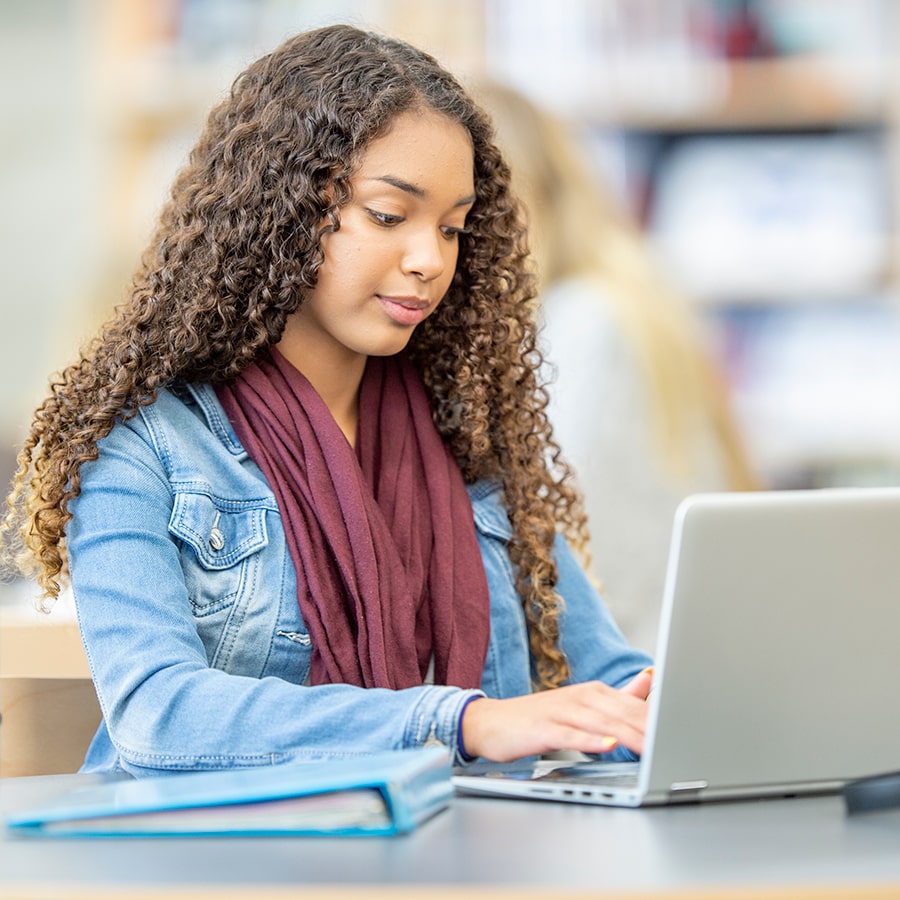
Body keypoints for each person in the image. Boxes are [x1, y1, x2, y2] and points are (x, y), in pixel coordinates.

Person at [0, 24, 652, 778]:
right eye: (389, 215)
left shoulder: (467, 441)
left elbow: (608, 683)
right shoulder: (145, 444)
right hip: (226, 849)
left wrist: (669, 707)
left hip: (461, 841)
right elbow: (160, 715)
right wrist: (458, 722)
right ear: (281, 209)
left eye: (452, 228)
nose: (429, 259)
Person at [475, 82, 760, 654]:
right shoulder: (635, 300)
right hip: (680, 650)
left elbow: (545, 538)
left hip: (620, 669)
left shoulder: (582, 324)